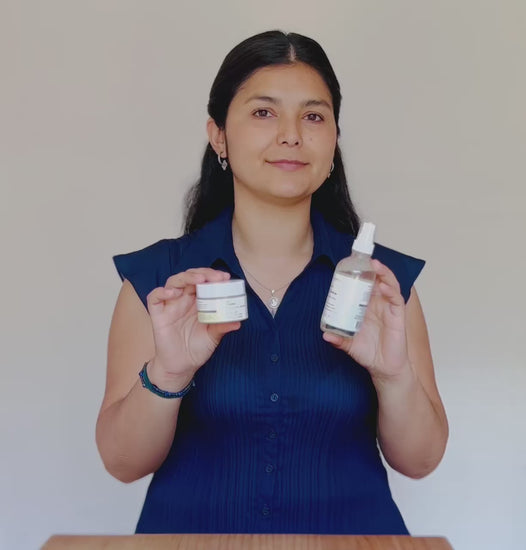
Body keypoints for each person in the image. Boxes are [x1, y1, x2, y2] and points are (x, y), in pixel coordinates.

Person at [96, 30, 448, 535]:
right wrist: (168, 374)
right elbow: (122, 462)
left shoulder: (381, 285)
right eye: (263, 112)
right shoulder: (160, 282)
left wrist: (394, 378)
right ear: (219, 135)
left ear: (334, 140)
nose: (291, 135)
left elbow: (421, 460)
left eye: (313, 116)